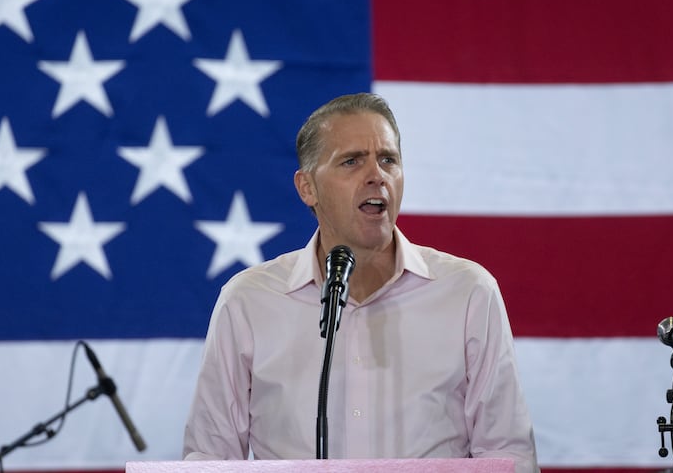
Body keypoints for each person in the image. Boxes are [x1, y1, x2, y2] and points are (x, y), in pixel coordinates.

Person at [183, 93, 539, 472]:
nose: (376, 175)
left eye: (388, 159)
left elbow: (509, 457)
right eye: (351, 161)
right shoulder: (249, 302)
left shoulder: (468, 293)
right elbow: (210, 458)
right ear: (307, 188)